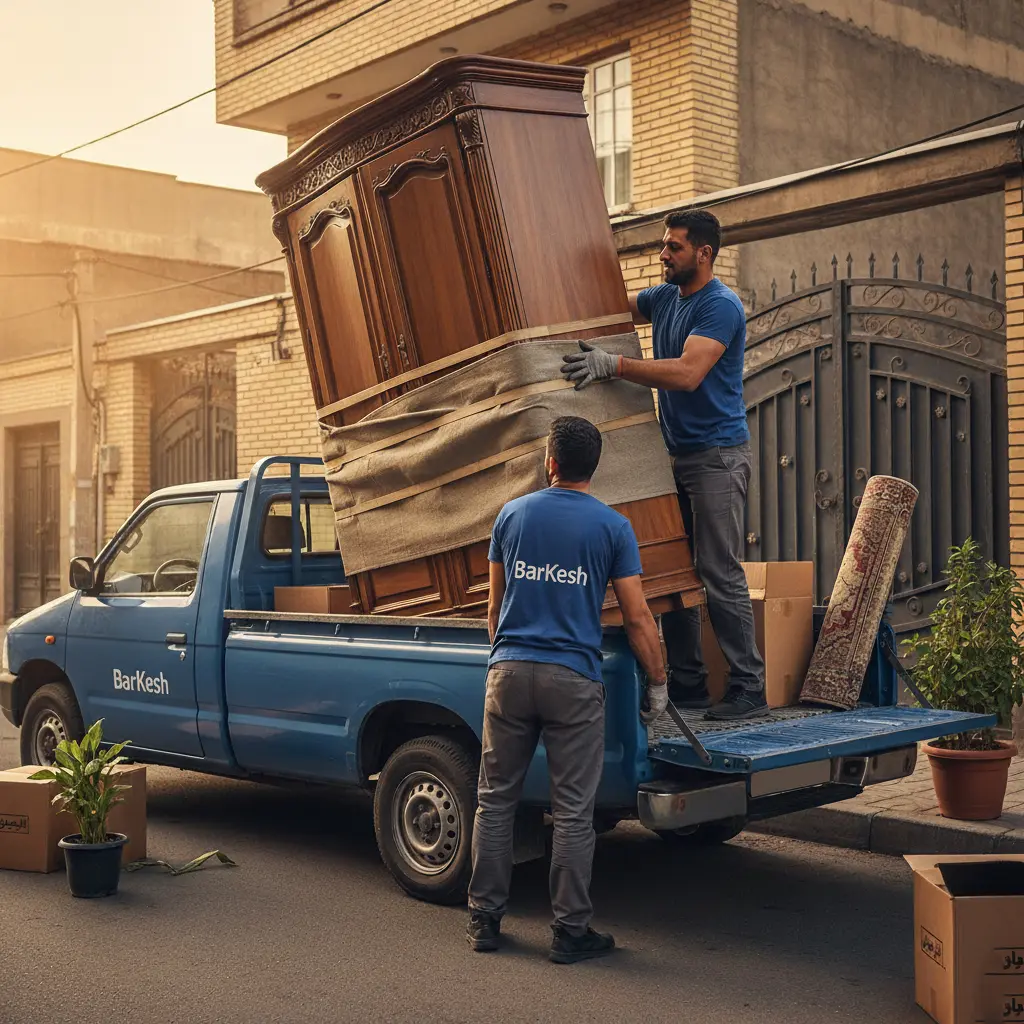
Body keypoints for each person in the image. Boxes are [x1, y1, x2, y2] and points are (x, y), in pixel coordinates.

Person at [466, 415, 668, 964]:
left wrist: (506, 656)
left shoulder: (510, 515)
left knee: (495, 797)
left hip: (508, 672)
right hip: (572, 679)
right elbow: (637, 616)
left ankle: (484, 919)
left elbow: (493, 608)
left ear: (550, 462)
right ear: (592, 468)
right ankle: (569, 930)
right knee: (574, 811)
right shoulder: (612, 528)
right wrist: (658, 684)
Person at [560, 209, 766, 721]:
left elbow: (689, 373)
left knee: (718, 571)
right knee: (675, 571)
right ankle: (691, 685)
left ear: (704, 253)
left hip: (717, 455)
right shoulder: (665, 298)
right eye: (662, 245)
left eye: (673, 247)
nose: (662, 254)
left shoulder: (720, 307)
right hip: (674, 454)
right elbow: (608, 309)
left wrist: (617, 365)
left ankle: (749, 689)